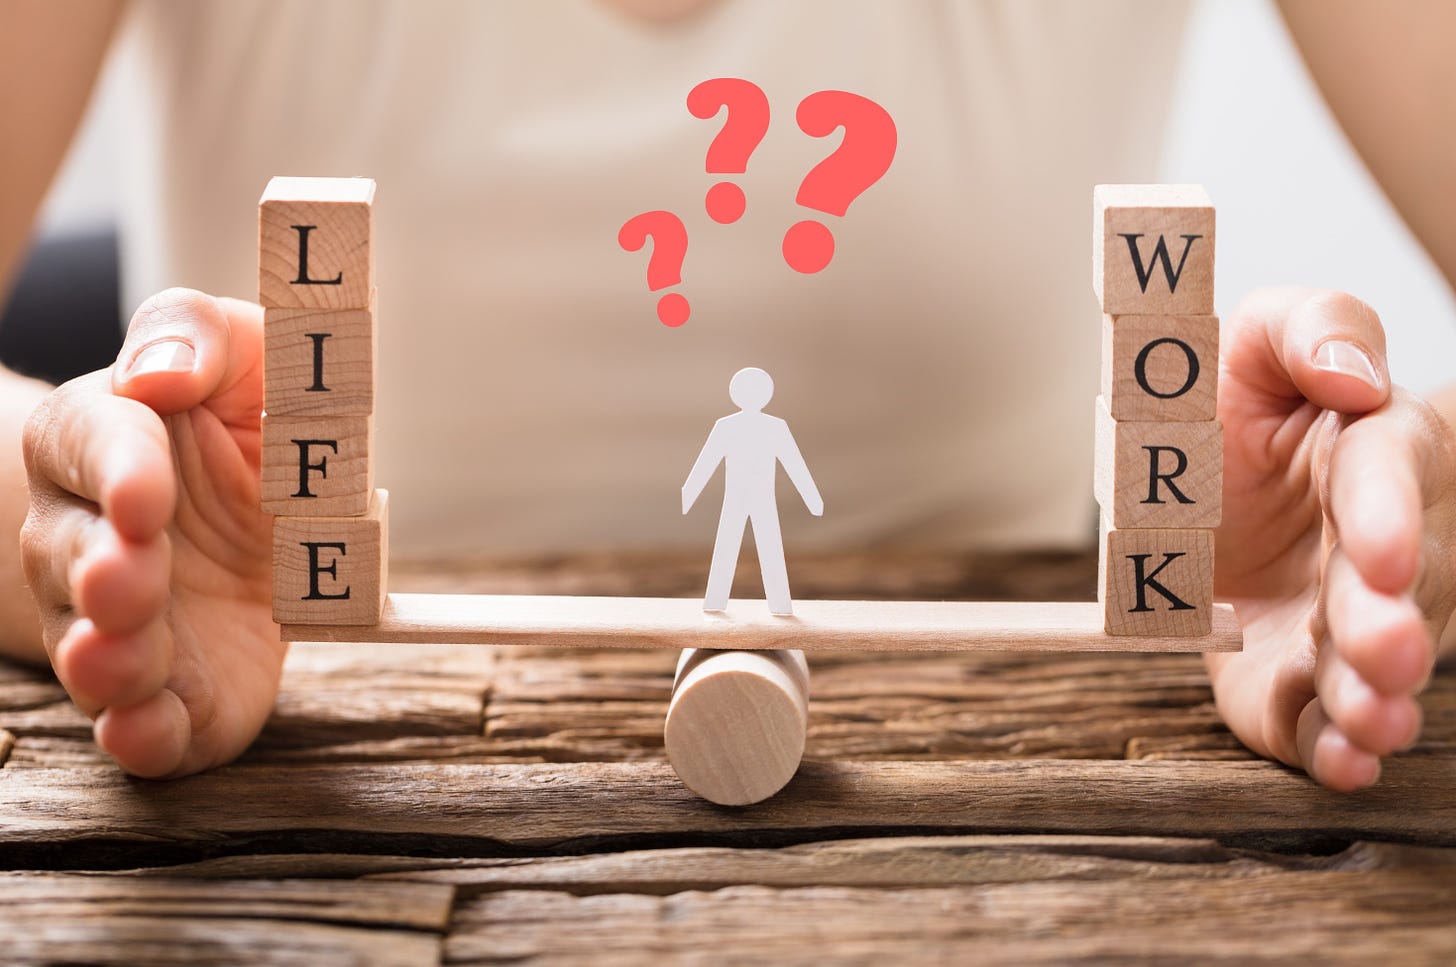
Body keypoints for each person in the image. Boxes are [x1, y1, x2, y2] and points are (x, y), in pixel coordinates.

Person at [1, 0, 1452, 789]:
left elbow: (747, 487)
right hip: (325, 718)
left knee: (749, 558)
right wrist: (53, 511)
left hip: (1017, 726)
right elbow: (741, 483)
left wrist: (1399, 502)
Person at [682, 367, 823, 614]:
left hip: (758, 498)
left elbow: (794, 463)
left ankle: (772, 605)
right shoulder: (734, 426)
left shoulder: (771, 427)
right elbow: (706, 462)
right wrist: (689, 493)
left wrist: (813, 499)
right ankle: (717, 602)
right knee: (739, 546)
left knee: (761, 547)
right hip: (741, 498)